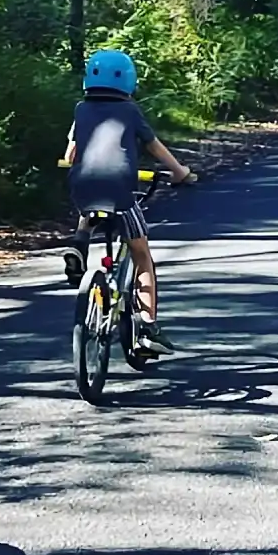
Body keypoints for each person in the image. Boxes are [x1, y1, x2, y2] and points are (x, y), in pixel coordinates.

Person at [60, 49, 195, 353]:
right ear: (129, 81)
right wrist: (180, 172)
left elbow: (70, 154)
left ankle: (79, 245)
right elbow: (155, 147)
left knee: (89, 207)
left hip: (83, 183)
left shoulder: (81, 109)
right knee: (141, 254)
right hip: (120, 189)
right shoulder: (130, 111)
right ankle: (147, 327)